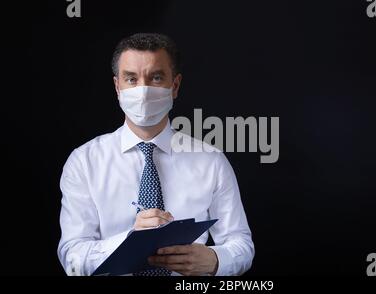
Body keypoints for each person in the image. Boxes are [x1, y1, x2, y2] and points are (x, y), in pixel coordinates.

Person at [57, 33, 254, 276]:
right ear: (118, 86)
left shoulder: (211, 161)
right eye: (131, 79)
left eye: (156, 77)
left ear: (175, 86)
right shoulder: (84, 163)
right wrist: (130, 241)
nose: (143, 91)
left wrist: (215, 260)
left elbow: (242, 245)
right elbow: (72, 259)